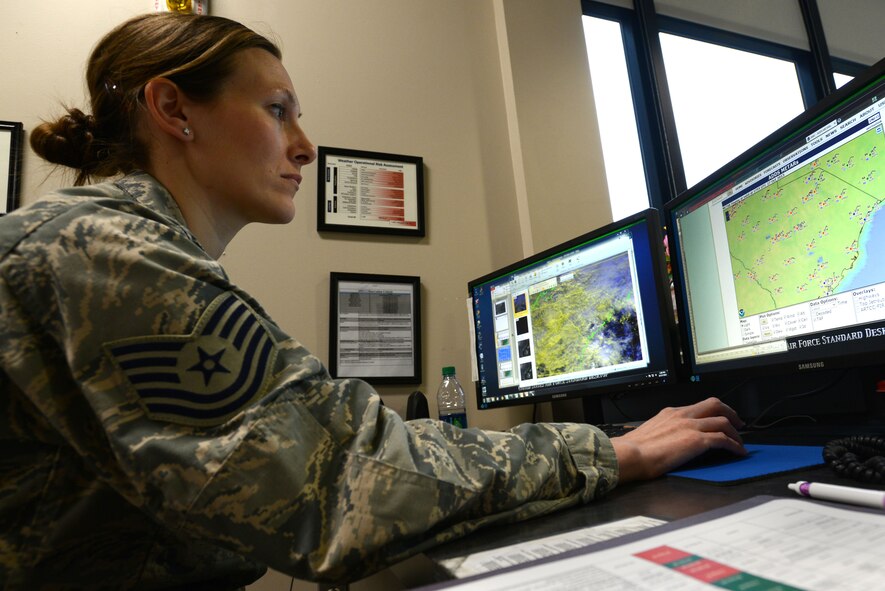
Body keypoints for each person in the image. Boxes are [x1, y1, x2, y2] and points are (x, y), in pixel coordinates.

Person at [0, 12, 746, 590]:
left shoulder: (96, 241)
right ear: (173, 108)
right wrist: (612, 451)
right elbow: (339, 478)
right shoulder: (99, 247)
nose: (305, 145)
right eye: (277, 109)